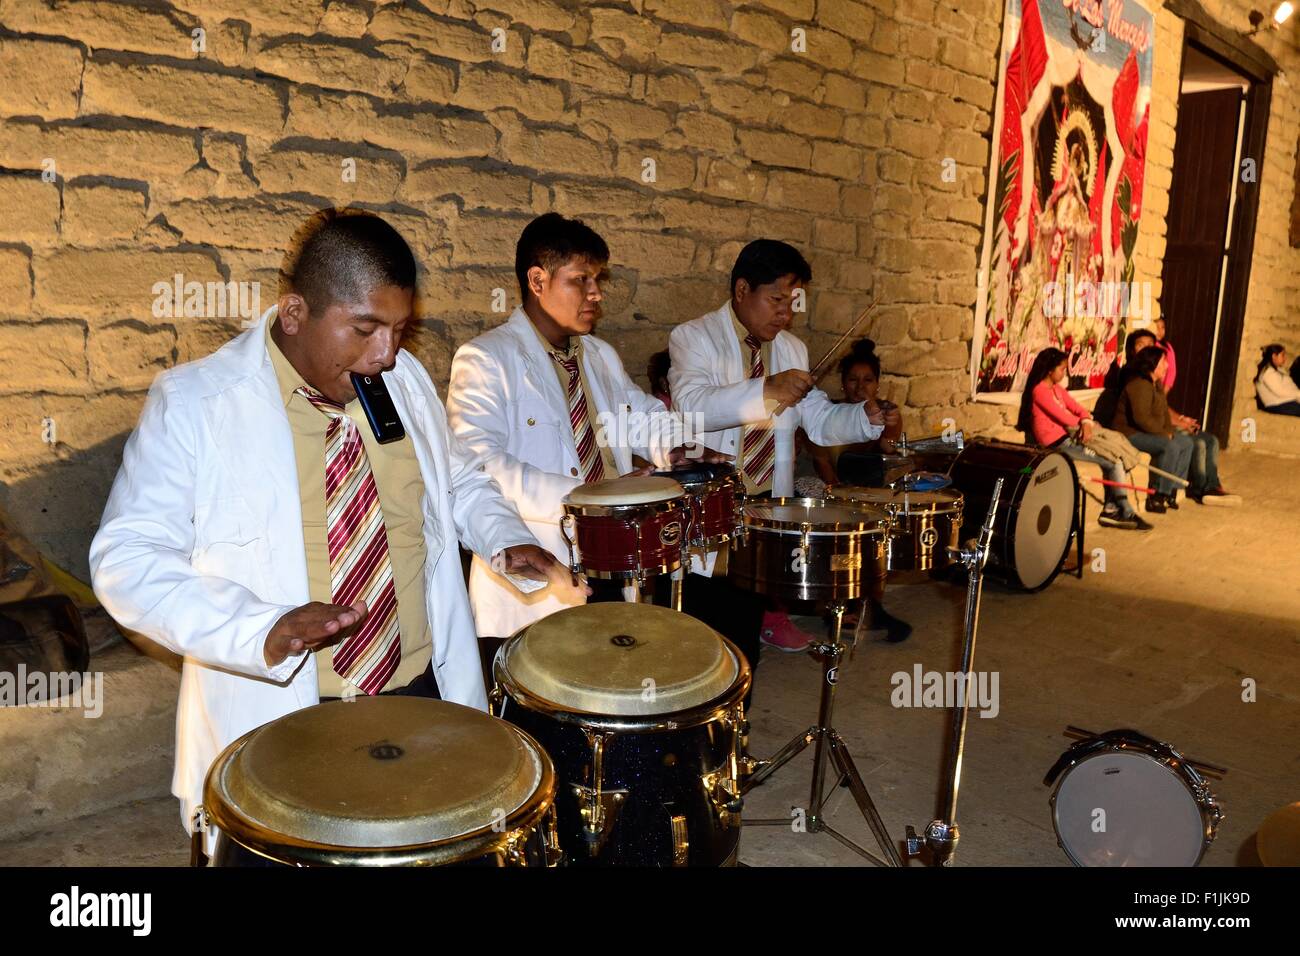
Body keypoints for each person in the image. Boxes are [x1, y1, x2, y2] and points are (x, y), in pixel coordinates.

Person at [89, 211, 565, 850]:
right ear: (294, 313)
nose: (385, 353)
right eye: (364, 328)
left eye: (399, 330)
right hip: (288, 714)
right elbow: (127, 558)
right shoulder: (197, 403)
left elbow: (461, 481)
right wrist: (261, 627)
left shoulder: (402, 382)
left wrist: (504, 535)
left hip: (420, 694)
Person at [446, 213, 694, 642]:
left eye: (598, 280)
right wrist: (586, 498)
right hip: (541, 558)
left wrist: (678, 449)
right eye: (581, 279)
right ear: (538, 280)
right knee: (541, 691)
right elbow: (480, 463)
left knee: (614, 674)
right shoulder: (486, 358)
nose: (596, 294)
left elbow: (641, 414)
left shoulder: (599, 355)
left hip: (615, 552)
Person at [669, 239, 887, 654]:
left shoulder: (791, 348)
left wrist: (864, 417)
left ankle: (738, 713)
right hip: (714, 505)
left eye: (792, 302)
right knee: (703, 632)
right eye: (776, 300)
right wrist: (767, 388)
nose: (786, 313)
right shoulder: (694, 337)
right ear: (741, 290)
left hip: (766, 508)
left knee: (745, 633)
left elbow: (817, 419)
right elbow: (693, 405)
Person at [1017, 348, 1151, 531]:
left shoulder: (1057, 389)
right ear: (1050, 370)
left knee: (1115, 456)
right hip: (1057, 444)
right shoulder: (1039, 391)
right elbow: (1063, 417)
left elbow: (1079, 409)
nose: (1065, 373)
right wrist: (1086, 424)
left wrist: (1086, 421)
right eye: (1062, 369)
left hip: (1071, 437)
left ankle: (1112, 509)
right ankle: (1124, 511)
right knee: (1113, 461)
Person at [1112, 346, 1193, 514]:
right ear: (1152, 364)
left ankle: (1172, 489)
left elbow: (1164, 414)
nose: (1167, 366)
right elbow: (1142, 419)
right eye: (1164, 362)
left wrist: (1169, 430)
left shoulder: (1156, 384)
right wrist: (1164, 435)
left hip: (1148, 430)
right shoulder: (1138, 385)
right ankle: (1157, 495)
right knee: (1168, 446)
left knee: (1185, 443)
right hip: (1130, 433)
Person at [1256, 344, 1300, 416]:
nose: (1285, 358)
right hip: (1277, 405)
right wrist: (1298, 394)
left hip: (1286, 403)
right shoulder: (1268, 372)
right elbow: (1280, 391)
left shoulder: (1279, 370)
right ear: (1274, 356)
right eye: (1282, 355)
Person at [1154, 316, 1177, 393]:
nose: (1160, 331)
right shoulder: (1150, 344)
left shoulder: (1168, 347)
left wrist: (1165, 391)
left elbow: (1172, 370)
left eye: (1162, 327)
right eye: (1157, 327)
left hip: (1161, 388)